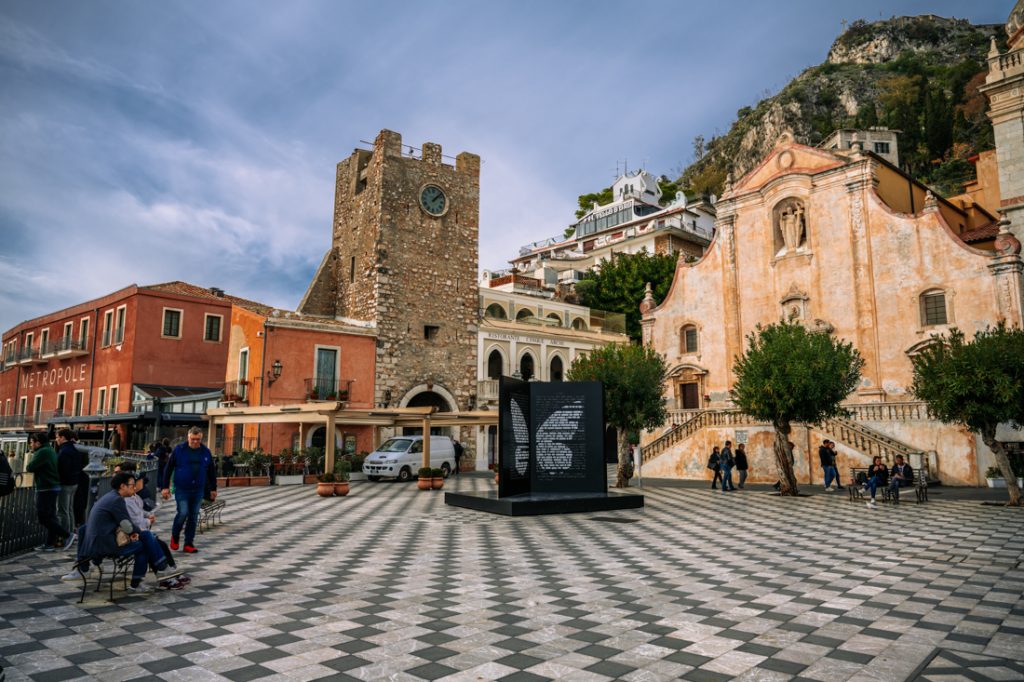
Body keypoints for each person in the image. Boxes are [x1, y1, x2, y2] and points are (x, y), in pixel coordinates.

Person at [66, 472, 167, 592]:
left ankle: (157, 570)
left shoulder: (110, 496)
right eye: (132, 485)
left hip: (99, 542)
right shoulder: (117, 500)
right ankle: (155, 572)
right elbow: (127, 526)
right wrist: (137, 532)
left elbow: (126, 525)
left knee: (146, 537)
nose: (134, 487)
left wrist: (135, 532)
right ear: (122, 486)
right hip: (106, 546)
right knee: (145, 542)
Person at [161, 427, 217, 553]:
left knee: (193, 516)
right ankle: (175, 536)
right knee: (183, 513)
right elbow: (168, 468)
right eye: (193, 439)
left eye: (198, 439)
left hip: (198, 490)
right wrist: (165, 487)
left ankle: (188, 543)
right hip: (182, 489)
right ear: (188, 437)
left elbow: (211, 472)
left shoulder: (205, 451)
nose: (195, 442)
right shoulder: (179, 450)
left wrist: (213, 489)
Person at [26, 433, 67, 551]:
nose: (30, 444)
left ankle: (67, 535)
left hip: (46, 487)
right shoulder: (50, 449)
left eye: (32, 442)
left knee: (42, 517)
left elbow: (30, 467)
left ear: (38, 442)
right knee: (51, 516)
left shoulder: (42, 452)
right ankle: (49, 544)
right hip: (53, 486)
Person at [55, 429, 81, 546]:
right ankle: (72, 533)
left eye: (57, 437)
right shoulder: (75, 449)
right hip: (74, 483)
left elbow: (63, 469)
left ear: (63, 438)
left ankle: (66, 536)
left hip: (65, 484)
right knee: (69, 509)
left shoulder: (64, 451)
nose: (56, 440)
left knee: (62, 511)